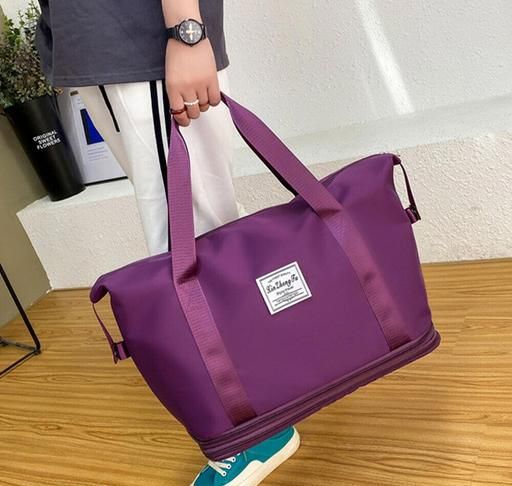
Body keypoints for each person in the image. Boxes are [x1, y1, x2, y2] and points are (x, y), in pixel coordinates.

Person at [35, 1, 300, 484]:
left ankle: (260, 425)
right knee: (193, 236)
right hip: (103, 40)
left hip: (142, 37)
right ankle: (264, 409)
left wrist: (185, 30)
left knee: (191, 243)